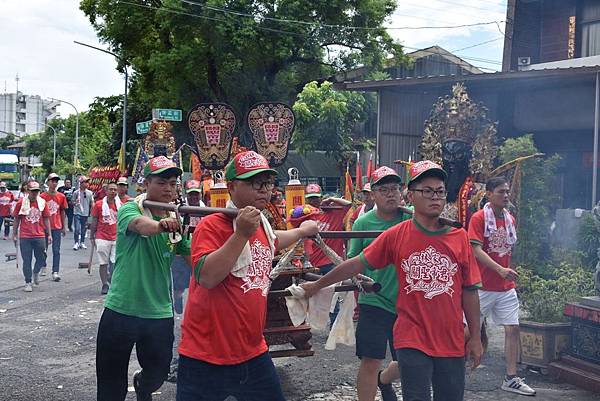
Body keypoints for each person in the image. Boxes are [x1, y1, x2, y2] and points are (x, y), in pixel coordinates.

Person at [302, 160, 483, 401]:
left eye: (439, 191)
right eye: (427, 191)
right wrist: (317, 285)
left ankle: (384, 380)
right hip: (411, 335)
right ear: (412, 195)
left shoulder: (459, 237)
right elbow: (356, 263)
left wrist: (476, 338)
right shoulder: (396, 235)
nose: (435, 197)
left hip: (450, 338)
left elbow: (470, 290)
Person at [176, 150, 318, 401]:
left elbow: (273, 240)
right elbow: (207, 277)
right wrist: (240, 233)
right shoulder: (212, 225)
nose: (264, 189)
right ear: (231, 187)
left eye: (267, 183)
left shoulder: (260, 224)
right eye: (254, 183)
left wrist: (300, 231)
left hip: (252, 352)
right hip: (206, 356)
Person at [96, 156, 191, 401]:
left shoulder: (178, 221)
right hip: (120, 311)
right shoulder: (131, 209)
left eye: (172, 183)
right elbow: (141, 226)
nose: (168, 188)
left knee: (158, 373)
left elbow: (192, 256)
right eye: (161, 182)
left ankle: (143, 385)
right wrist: (162, 226)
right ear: (146, 183)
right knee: (110, 385)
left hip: (158, 313)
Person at [468, 176, 535, 396]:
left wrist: (507, 271)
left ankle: (511, 377)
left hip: (505, 287)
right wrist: (499, 269)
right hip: (482, 286)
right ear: (488, 194)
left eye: (507, 192)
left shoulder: (510, 219)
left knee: (512, 328)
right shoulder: (478, 219)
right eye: (500, 192)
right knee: (467, 331)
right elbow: (475, 251)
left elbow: (507, 250)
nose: (505, 195)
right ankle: (450, 370)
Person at [348, 167, 411, 401]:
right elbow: (353, 261)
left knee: (408, 359)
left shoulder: (411, 216)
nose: (390, 194)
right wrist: (359, 279)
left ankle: (384, 380)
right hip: (374, 300)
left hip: (408, 302)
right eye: (383, 190)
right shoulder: (363, 223)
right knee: (371, 359)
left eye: (395, 189)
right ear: (373, 194)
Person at [301, 183, 352, 274]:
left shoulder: (334, 212)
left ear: (321, 198)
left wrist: (331, 199)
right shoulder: (303, 215)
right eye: (310, 198)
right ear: (306, 200)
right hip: (312, 262)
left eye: (316, 198)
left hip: (332, 261)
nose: (313, 201)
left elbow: (349, 204)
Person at [172, 179, 205, 314]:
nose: (193, 197)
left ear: (200, 194)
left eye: (196, 194)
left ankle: (198, 306)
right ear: (187, 194)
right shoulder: (179, 208)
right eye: (191, 194)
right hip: (182, 252)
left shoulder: (206, 210)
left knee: (200, 280)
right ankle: (178, 298)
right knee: (179, 284)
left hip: (201, 250)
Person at [12, 181, 52, 293]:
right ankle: (28, 281)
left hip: (39, 235)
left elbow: (46, 219)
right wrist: (14, 234)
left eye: (36, 191)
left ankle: (36, 272)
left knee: (42, 257)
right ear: (28, 191)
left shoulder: (42, 203)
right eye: (33, 191)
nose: (35, 193)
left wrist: (49, 234)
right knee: (27, 260)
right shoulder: (21, 203)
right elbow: (17, 219)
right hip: (25, 235)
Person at [90, 182, 121, 295]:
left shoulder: (120, 205)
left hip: (116, 237)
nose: (113, 192)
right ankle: (104, 284)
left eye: (115, 190)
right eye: (111, 189)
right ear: (106, 191)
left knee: (114, 262)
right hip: (102, 236)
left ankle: (111, 280)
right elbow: (94, 220)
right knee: (103, 263)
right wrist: (92, 235)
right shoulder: (98, 205)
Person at [40, 173, 68, 281]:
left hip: (56, 226)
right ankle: (43, 264)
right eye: (52, 181)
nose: (54, 183)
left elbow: (62, 211)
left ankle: (55, 271)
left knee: (56, 250)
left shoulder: (61, 196)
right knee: (43, 249)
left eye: (56, 181)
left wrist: (63, 227)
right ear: (48, 182)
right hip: (44, 227)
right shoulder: (42, 196)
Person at [72, 176, 94, 250]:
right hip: (77, 213)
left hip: (85, 213)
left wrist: (92, 212)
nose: (87, 184)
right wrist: (75, 202)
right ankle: (76, 242)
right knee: (77, 229)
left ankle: (82, 242)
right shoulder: (76, 193)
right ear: (81, 183)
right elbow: (72, 202)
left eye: (87, 182)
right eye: (85, 182)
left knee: (84, 229)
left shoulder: (90, 193)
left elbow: (92, 203)